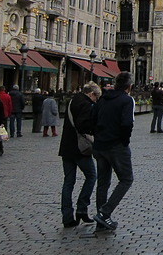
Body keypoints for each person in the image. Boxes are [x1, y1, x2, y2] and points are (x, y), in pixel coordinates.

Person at [92, 72, 136, 231]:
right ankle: (104, 212)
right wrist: (124, 142)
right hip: (116, 146)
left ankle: (101, 220)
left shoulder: (103, 98)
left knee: (103, 182)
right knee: (126, 179)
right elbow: (127, 124)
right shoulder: (127, 100)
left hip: (99, 145)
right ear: (129, 86)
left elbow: (93, 119)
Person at [59, 82, 101, 227]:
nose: (96, 101)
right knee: (91, 176)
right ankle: (82, 209)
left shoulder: (72, 101)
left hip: (66, 147)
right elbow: (83, 125)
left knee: (68, 182)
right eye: (96, 98)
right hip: (80, 149)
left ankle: (67, 216)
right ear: (92, 94)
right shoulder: (86, 105)